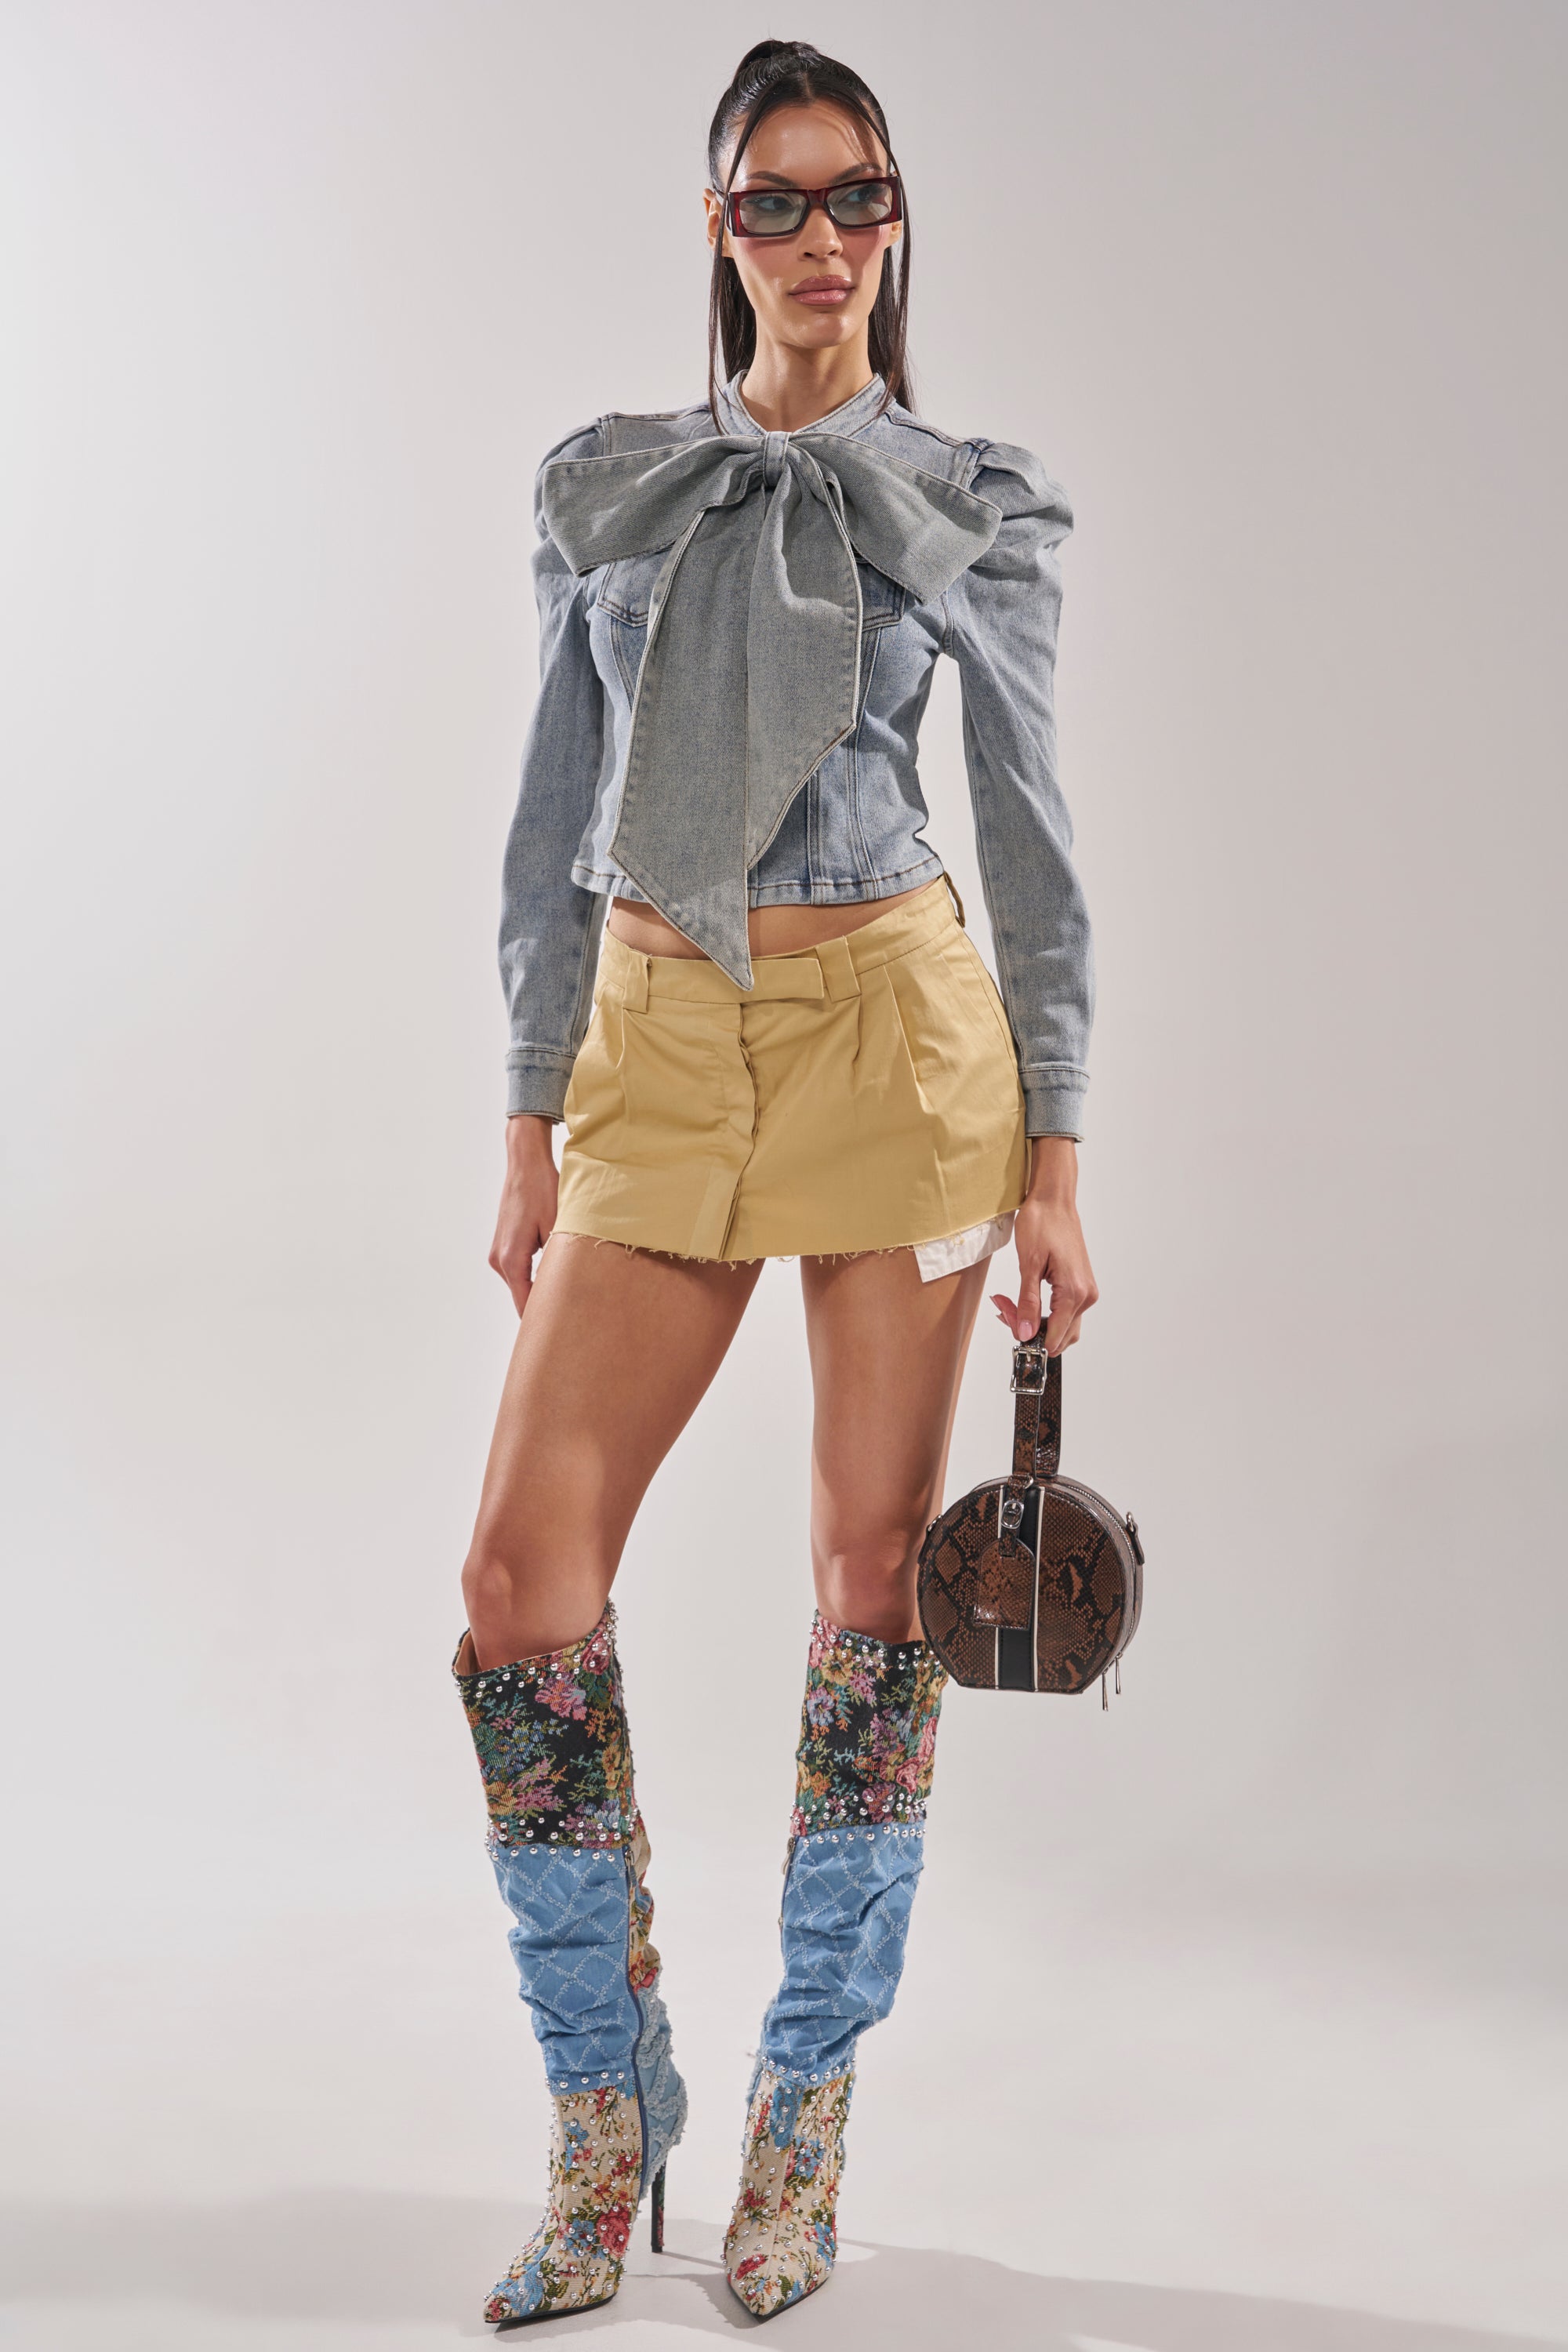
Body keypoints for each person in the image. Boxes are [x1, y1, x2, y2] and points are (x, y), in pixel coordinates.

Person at [450, 37, 1099, 2329]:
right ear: (717, 226)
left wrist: (1055, 1163)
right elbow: (548, 819)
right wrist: (533, 1112)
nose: (824, 241)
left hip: (897, 1044)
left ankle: (801, 2124)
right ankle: (604, 2110)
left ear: (897, 227)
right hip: (652, 1041)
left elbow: (1026, 841)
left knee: (866, 1577)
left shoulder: (975, 503)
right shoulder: (608, 488)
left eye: (861, 200)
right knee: (521, 1584)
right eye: (777, 200)